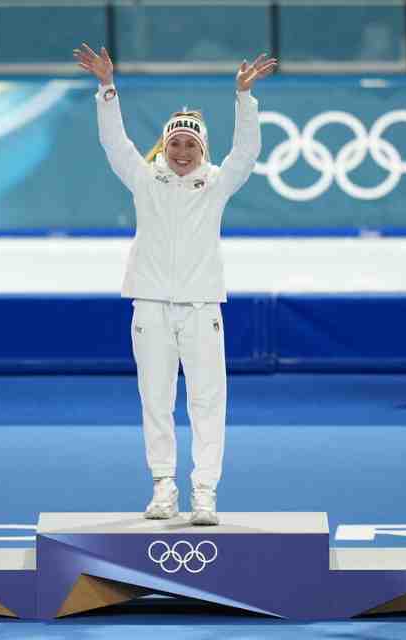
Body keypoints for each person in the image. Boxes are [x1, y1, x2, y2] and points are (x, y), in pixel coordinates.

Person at [73, 43, 276, 525]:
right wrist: (107, 88)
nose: (182, 153)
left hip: (203, 305)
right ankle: (163, 486)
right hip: (150, 305)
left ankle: (204, 490)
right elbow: (114, 143)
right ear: (164, 146)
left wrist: (244, 99)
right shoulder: (144, 180)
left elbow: (248, 151)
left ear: (203, 149)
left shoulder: (219, 182)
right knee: (156, 398)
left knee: (208, 400)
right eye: (175, 144)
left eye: (191, 145)